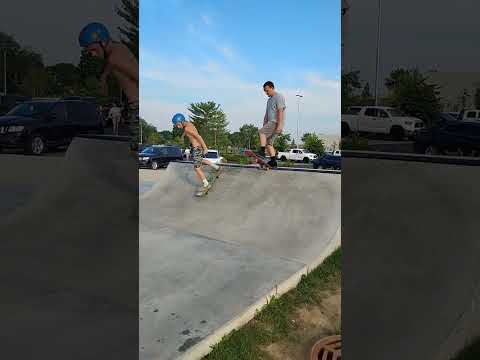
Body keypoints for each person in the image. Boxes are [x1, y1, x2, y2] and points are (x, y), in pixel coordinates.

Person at [78, 22, 139, 149]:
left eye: (94, 50)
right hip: (136, 105)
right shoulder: (117, 48)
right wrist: (104, 77)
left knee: (135, 149)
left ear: (103, 42)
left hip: (137, 106)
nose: (93, 54)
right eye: (89, 52)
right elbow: (110, 64)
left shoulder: (115, 58)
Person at [172, 113, 220, 192]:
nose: (177, 127)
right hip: (198, 147)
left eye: (177, 124)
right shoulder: (189, 124)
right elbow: (187, 131)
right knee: (200, 160)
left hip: (197, 148)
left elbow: (198, 136)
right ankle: (216, 167)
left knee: (197, 168)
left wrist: (205, 148)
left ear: (181, 121)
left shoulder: (187, 129)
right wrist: (183, 136)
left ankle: (206, 184)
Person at [258, 81, 286, 168]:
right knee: (269, 143)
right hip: (270, 122)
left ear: (272, 88)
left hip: (275, 122)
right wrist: (264, 125)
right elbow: (266, 114)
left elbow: (280, 111)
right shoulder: (269, 100)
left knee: (261, 132)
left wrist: (280, 125)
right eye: (265, 91)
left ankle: (262, 152)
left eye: (267, 91)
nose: (266, 93)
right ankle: (273, 161)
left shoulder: (279, 97)